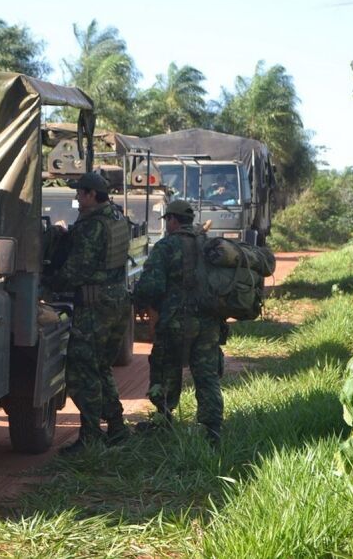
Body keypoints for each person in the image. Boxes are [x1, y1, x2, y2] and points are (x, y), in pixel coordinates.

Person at [46, 171, 132, 455]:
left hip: (95, 305)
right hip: (116, 302)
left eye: (81, 192)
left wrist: (48, 283)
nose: (77, 197)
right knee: (100, 366)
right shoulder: (117, 218)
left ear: (93, 195)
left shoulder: (92, 226)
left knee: (82, 371)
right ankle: (117, 428)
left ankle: (91, 436)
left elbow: (76, 270)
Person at [133, 199, 225, 445]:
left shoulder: (166, 246)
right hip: (209, 321)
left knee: (166, 369)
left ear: (172, 220)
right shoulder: (208, 245)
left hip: (176, 321)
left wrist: (137, 300)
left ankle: (163, 420)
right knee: (206, 376)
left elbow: (151, 286)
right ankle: (213, 430)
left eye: (168, 221)